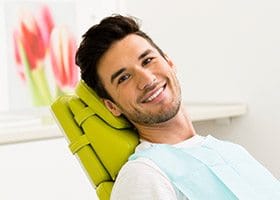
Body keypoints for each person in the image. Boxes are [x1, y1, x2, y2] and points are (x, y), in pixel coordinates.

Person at [75, 15, 280, 200]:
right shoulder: (144, 175)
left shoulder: (232, 152)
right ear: (112, 106)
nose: (147, 79)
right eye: (124, 77)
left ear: (169, 62)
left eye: (147, 60)